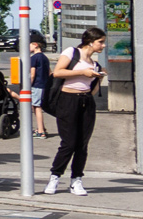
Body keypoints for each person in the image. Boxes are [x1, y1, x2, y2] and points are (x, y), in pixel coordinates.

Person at [45, 27, 107, 196]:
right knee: (69, 142)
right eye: (100, 42)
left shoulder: (95, 64)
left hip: (86, 101)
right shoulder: (72, 52)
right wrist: (82, 72)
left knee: (82, 144)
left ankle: (76, 179)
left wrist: (97, 77)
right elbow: (58, 72)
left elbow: (92, 91)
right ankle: (55, 177)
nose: (103, 46)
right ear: (90, 41)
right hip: (67, 100)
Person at [29, 35, 50, 138]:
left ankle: (41, 131)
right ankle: (42, 127)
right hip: (44, 85)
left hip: (36, 85)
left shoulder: (34, 58)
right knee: (36, 106)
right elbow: (50, 72)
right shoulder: (45, 58)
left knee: (36, 107)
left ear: (35, 45)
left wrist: (28, 86)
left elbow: (32, 74)